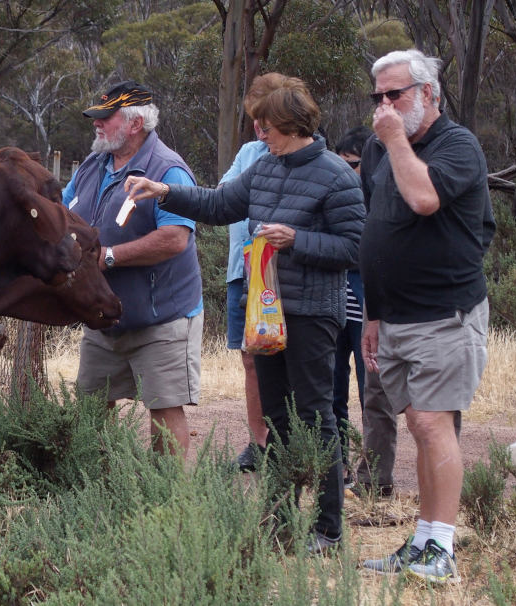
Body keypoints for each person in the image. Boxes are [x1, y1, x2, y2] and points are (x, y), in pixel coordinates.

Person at [125, 73, 365, 553]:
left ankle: (327, 529)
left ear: (293, 125)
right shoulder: (262, 168)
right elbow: (219, 204)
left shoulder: (337, 176)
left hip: (313, 314)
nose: (261, 135)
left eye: (267, 127)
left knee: (317, 418)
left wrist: (298, 240)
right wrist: (166, 191)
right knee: (275, 418)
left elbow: (354, 247)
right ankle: (278, 519)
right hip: (265, 312)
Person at [358, 49, 494, 584]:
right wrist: (372, 312)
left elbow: (422, 199)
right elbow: (379, 229)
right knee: (418, 423)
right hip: (392, 317)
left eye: (397, 94)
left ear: (430, 95)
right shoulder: (375, 150)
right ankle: (422, 542)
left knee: (434, 423)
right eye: (379, 97)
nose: (386, 106)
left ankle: (442, 549)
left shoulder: (458, 145)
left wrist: (393, 139)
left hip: (445, 313)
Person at [62, 81, 203, 460]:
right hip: (104, 318)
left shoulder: (169, 170)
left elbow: (175, 238)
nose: (97, 124)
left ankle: (165, 497)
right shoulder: (93, 166)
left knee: (165, 410)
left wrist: (109, 256)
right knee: (91, 410)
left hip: (163, 319)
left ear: (135, 123)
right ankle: (92, 490)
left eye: (105, 119)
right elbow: (60, 213)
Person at [221, 124, 269, 472]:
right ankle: (259, 442)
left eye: (266, 116)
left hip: (277, 275)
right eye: (255, 119)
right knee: (250, 359)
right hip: (242, 269)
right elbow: (225, 195)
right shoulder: (248, 152)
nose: (259, 126)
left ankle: (296, 440)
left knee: (291, 360)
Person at [331, 125, 370, 487]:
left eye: (354, 165)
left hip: (368, 298)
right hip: (335, 296)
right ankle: (337, 465)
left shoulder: (381, 195)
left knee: (369, 385)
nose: (348, 172)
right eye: (341, 164)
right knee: (333, 384)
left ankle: (371, 471)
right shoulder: (335, 193)